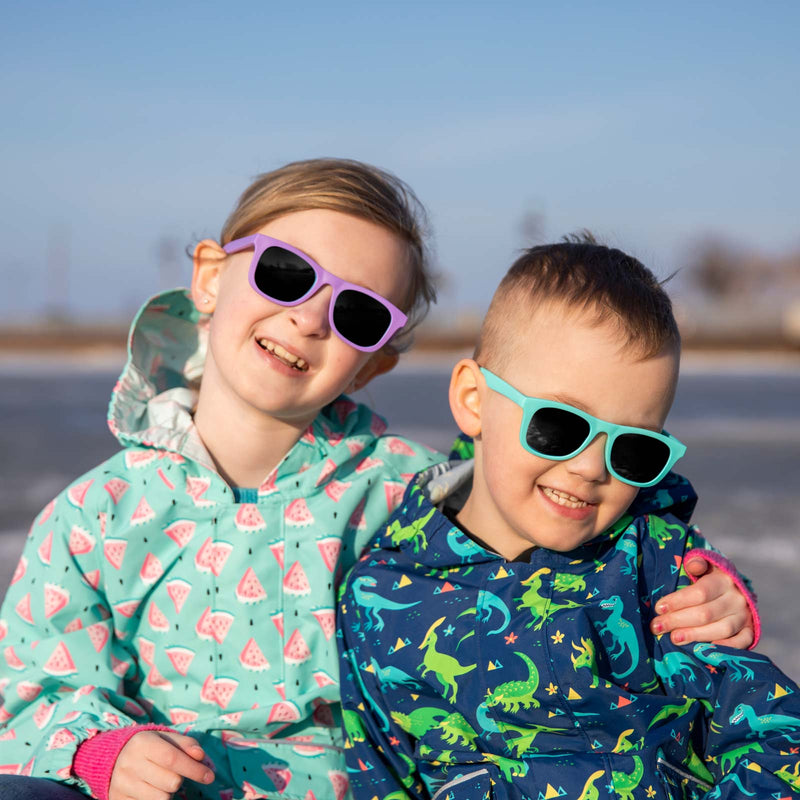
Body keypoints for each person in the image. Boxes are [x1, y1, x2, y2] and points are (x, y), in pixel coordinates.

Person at [0, 160, 751, 800]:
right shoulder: (96, 517)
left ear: (376, 360)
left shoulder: (404, 490)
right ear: (209, 276)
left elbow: (555, 494)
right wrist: (102, 752)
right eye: (286, 274)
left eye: (356, 314)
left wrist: (693, 578)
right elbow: (28, 689)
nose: (309, 319)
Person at [337, 238, 800, 800]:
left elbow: (777, 736)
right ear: (474, 400)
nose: (588, 469)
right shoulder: (379, 597)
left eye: (631, 451)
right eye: (558, 426)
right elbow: (378, 773)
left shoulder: (658, 571)